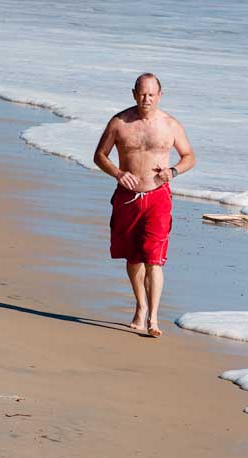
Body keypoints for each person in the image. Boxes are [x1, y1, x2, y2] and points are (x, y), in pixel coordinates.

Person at [93, 73, 196, 337]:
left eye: (151, 94)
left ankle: (153, 318)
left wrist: (173, 171)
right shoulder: (119, 123)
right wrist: (117, 173)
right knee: (133, 257)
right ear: (133, 93)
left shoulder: (170, 125)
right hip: (127, 197)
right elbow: (99, 156)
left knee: (154, 258)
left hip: (158, 196)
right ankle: (140, 307)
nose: (146, 99)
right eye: (141, 93)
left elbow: (189, 157)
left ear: (160, 95)